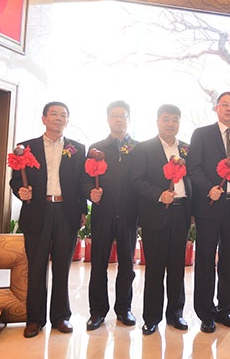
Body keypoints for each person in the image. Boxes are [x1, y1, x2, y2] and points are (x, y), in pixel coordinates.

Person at [9, 102, 87, 338]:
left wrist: (82, 211)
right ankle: (35, 319)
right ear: (44, 119)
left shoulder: (77, 148)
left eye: (63, 115)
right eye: (54, 114)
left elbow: (81, 183)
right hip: (37, 211)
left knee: (63, 267)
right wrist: (20, 191)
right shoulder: (26, 148)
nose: (59, 118)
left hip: (66, 212)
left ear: (67, 120)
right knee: (36, 267)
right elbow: (15, 180)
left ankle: (61, 316)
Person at [186, 91, 230, 333]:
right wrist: (208, 188)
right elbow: (193, 167)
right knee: (205, 259)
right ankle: (206, 313)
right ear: (216, 108)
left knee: (229, 260)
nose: (229, 108)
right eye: (225, 104)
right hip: (210, 205)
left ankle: (225, 309)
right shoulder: (202, 134)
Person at [131, 104, 191, 335]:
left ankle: (176, 314)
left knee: (177, 268)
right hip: (155, 214)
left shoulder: (186, 149)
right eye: (166, 119)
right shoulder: (144, 148)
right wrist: (159, 194)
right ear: (157, 121)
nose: (170, 124)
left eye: (175, 120)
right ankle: (152, 317)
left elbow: (192, 181)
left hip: (181, 213)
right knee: (155, 269)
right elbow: (137, 180)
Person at [83, 100, 139, 331]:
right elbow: (85, 179)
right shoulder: (97, 148)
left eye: (122, 115)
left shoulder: (138, 148)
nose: (118, 119)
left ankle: (124, 309)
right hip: (103, 213)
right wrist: (90, 192)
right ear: (108, 119)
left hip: (129, 214)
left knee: (127, 265)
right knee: (98, 264)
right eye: (114, 115)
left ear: (128, 119)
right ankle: (97, 312)